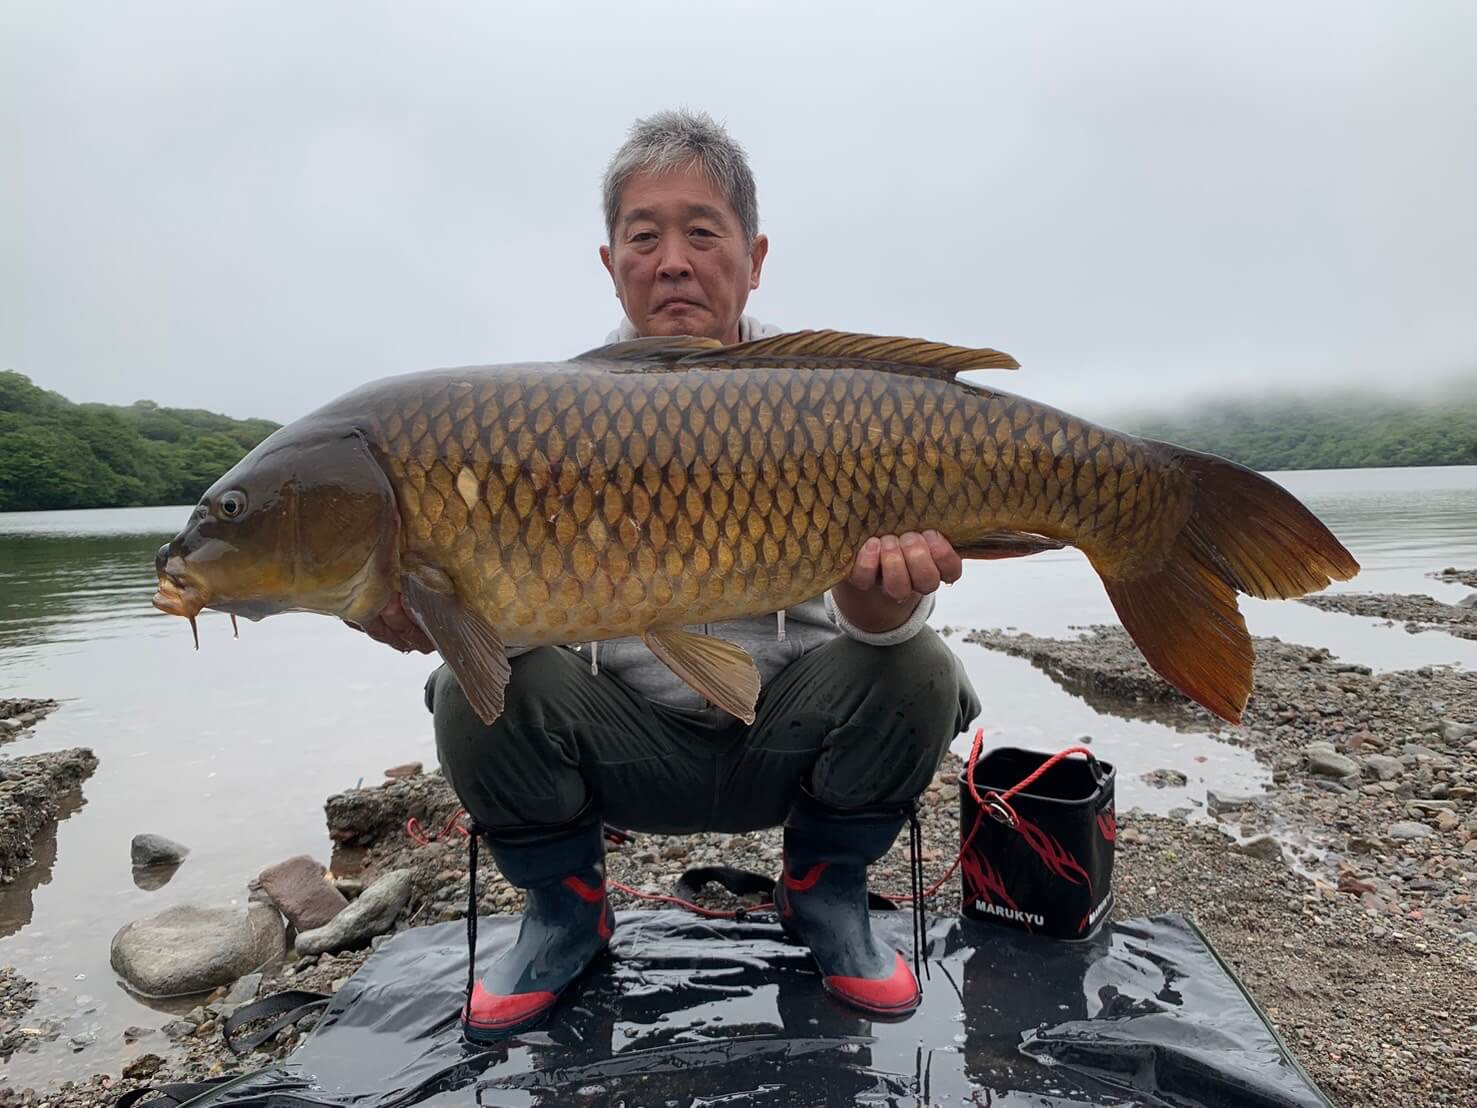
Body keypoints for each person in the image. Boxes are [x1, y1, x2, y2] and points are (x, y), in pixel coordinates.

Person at [355, 109, 980, 1042]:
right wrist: (438, 612)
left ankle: (825, 895)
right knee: (467, 690)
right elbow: (513, 645)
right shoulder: (536, 418)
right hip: (623, 750)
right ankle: (565, 915)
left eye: (701, 231)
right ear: (610, 263)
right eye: (643, 237)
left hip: (788, 740)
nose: (672, 261)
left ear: (754, 256)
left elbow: (877, 636)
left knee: (920, 667)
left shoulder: (831, 400)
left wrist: (882, 591)